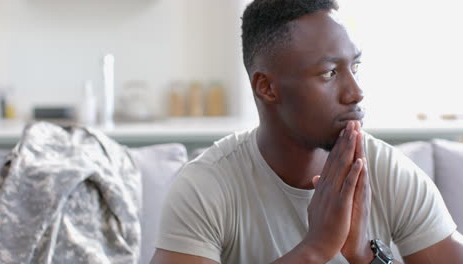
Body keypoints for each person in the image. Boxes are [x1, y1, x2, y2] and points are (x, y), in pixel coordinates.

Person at [151, 0, 463, 263]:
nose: (356, 92)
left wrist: (366, 256)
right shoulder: (205, 187)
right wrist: (316, 249)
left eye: (354, 68)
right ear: (267, 87)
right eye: (330, 73)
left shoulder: (389, 172)